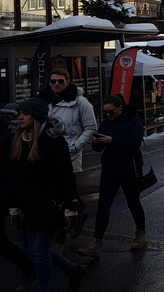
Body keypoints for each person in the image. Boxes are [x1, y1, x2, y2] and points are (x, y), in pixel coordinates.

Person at [9, 98, 87, 292]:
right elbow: (17, 177)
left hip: (50, 204)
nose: (20, 118)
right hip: (30, 204)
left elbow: (65, 175)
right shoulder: (21, 138)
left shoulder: (53, 140)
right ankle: (72, 270)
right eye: (19, 114)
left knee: (39, 251)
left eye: (24, 114)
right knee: (33, 249)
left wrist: (71, 207)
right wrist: (15, 206)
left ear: (35, 116)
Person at [78, 94, 146, 259]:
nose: (108, 115)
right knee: (103, 206)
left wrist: (112, 140)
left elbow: (134, 143)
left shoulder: (133, 121)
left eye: (111, 112)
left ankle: (141, 233)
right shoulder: (106, 123)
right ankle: (97, 242)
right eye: (105, 112)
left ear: (120, 108)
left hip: (129, 169)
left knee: (133, 202)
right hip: (109, 169)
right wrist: (97, 142)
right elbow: (98, 148)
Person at [38, 68, 96, 253]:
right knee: (56, 195)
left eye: (60, 81)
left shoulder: (80, 102)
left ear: (68, 81)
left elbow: (90, 127)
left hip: (68, 153)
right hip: (47, 155)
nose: (56, 84)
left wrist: (75, 146)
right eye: (53, 81)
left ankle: (60, 239)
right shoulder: (45, 101)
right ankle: (79, 212)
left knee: (62, 196)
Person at [0, 102, 36, 291]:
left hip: (6, 192)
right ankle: (70, 269)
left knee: (36, 246)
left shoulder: (9, 136)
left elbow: (14, 170)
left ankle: (28, 266)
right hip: (9, 191)